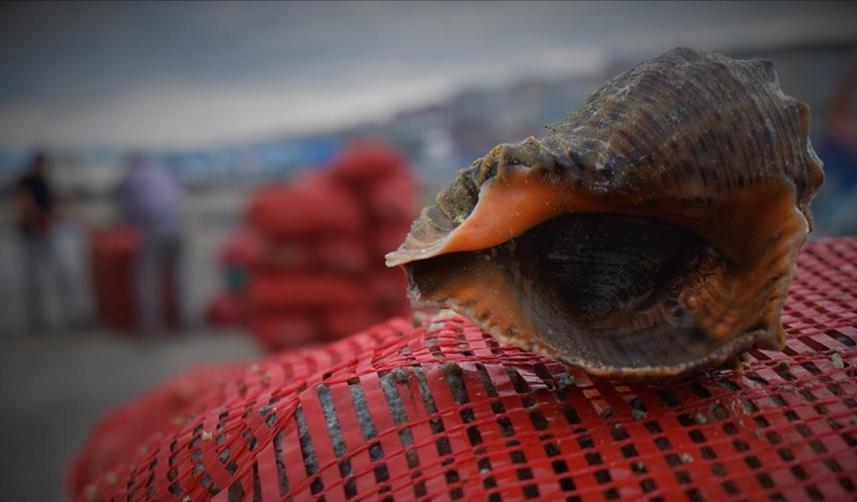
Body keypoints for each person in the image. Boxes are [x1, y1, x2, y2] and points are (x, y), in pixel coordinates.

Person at [117, 153, 186, 332]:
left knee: (147, 275)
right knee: (177, 275)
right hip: (177, 227)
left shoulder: (132, 178)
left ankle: (150, 323)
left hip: (153, 227)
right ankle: (181, 318)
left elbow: (128, 211)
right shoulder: (163, 173)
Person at [15, 151, 74, 332]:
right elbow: (25, 204)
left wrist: (61, 217)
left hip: (48, 232)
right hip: (32, 234)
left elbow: (55, 204)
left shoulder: (46, 182)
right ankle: (37, 320)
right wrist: (40, 218)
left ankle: (68, 316)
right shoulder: (27, 181)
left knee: (61, 274)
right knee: (35, 279)